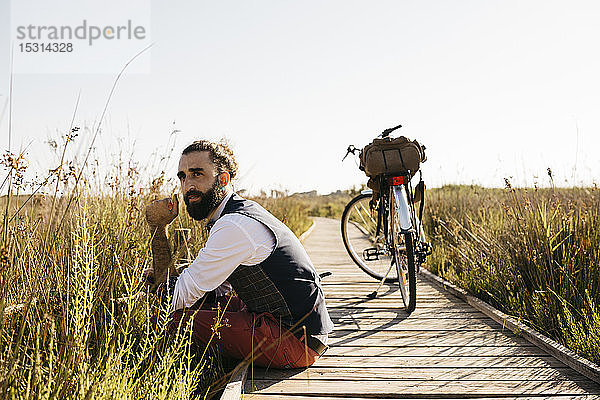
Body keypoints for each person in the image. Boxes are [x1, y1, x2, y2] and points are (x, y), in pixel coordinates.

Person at [144, 139, 333, 369]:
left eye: (197, 174)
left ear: (222, 180)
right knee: (207, 303)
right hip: (292, 328)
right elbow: (214, 291)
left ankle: (181, 374)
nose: (187, 185)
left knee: (168, 321)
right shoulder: (234, 213)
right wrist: (170, 282)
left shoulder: (234, 225)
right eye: (182, 176)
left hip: (295, 341)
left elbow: (171, 303)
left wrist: (157, 228)